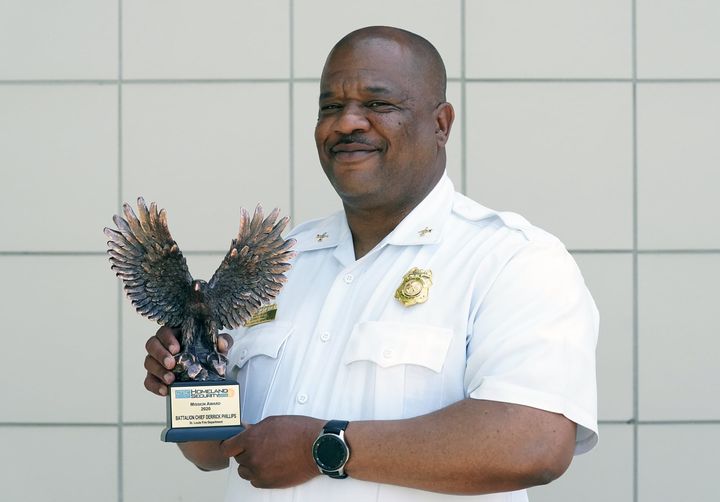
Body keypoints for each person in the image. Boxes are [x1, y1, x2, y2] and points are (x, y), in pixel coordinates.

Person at [143, 26, 598, 501]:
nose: (347, 123)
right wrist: (186, 377)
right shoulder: (280, 262)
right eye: (330, 108)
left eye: (378, 104)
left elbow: (532, 443)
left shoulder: (512, 259)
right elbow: (211, 452)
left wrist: (322, 446)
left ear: (440, 124)